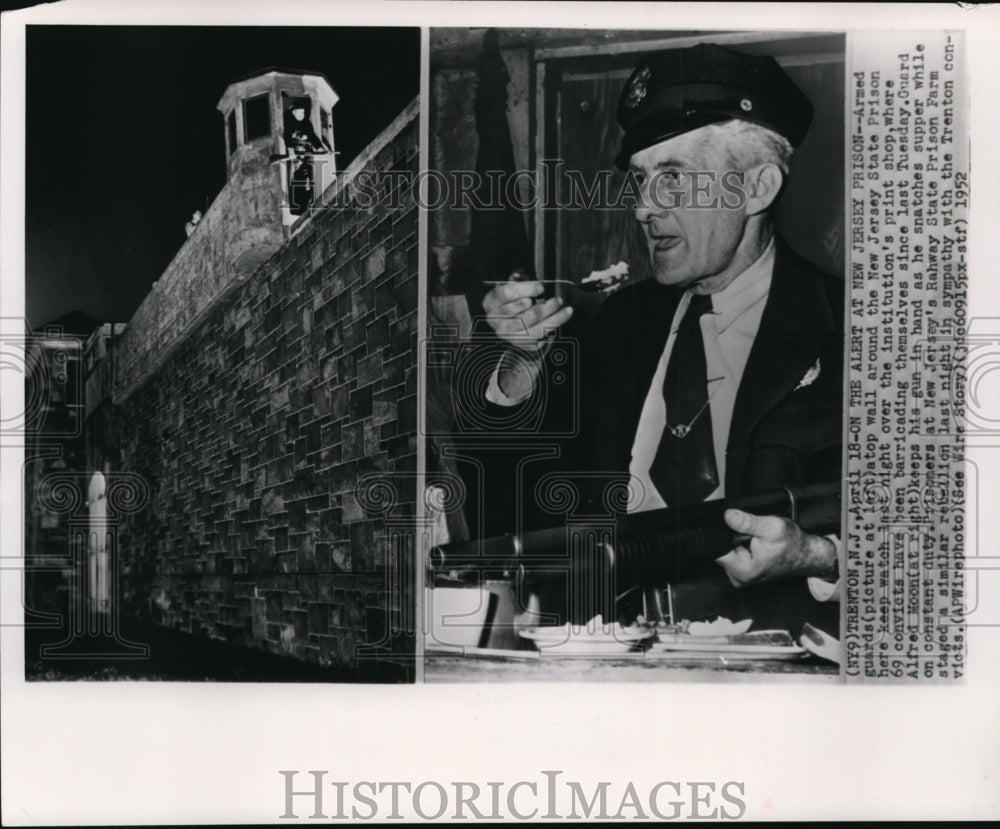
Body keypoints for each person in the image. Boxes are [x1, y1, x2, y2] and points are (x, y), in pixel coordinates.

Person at [480, 43, 842, 635]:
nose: (645, 208)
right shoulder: (616, 325)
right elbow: (513, 513)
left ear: (758, 188)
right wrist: (521, 368)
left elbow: (942, 543)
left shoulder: (858, 330)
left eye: (674, 179)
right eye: (642, 180)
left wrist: (819, 556)